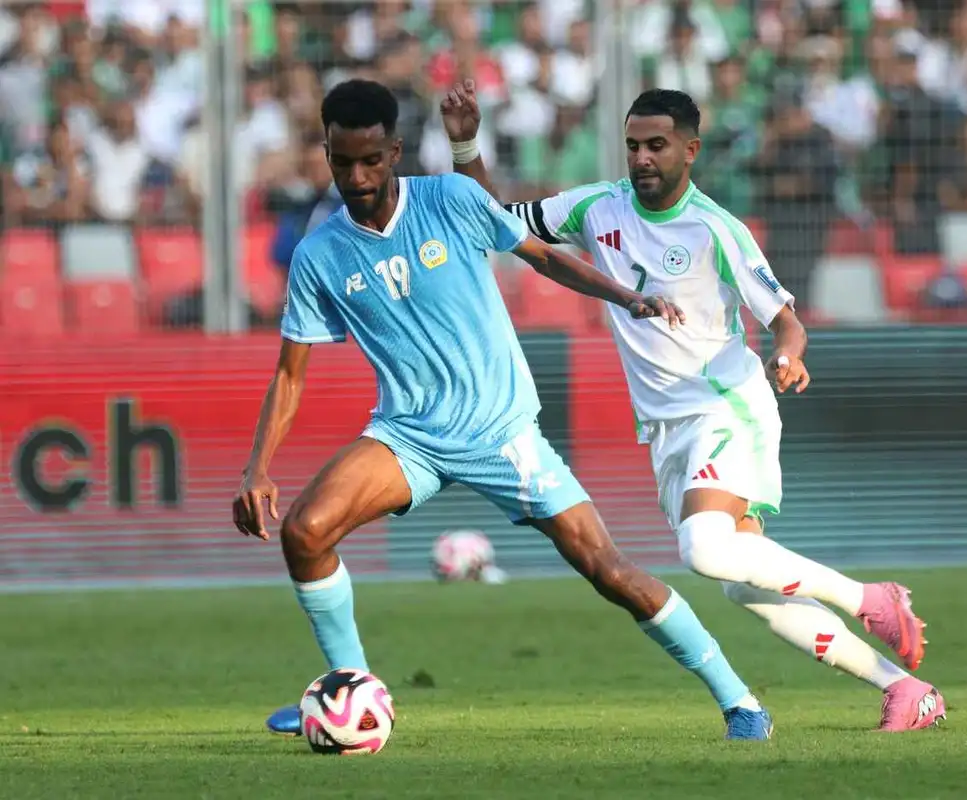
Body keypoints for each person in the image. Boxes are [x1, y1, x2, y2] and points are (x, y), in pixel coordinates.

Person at [232, 79, 775, 741]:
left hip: (501, 433)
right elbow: (290, 374)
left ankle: (740, 702)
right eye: (343, 163)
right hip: (408, 437)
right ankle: (352, 692)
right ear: (327, 155)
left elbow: (543, 257)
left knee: (608, 570)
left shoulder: (450, 199)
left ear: (394, 151)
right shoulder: (319, 255)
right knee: (305, 532)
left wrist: (627, 297)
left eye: (371, 160)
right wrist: (257, 468)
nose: (358, 177)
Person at [442, 81, 946, 731]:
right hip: (665, 429)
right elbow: (494, 219)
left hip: (725, 407)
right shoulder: (596, 207)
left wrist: (789, 355)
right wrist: (465, 145)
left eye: (656, 145)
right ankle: (905, 689)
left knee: (704, 549)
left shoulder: (716, 229)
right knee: (744, 583)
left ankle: (871, 597)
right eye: (633, 146)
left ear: (690, 150)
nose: (642, 158)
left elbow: (786, 320)